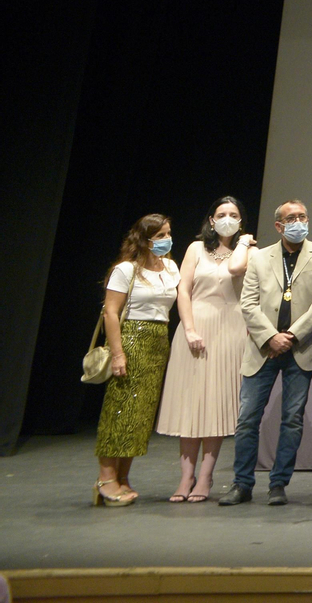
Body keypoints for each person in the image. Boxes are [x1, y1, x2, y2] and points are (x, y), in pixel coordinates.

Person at [219, 200, 312, 507]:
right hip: (262, 349)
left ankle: (278, 484)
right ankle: (242, 483)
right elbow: (248, 303)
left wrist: (292, 335)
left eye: (303, 217)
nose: (299, 222)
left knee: (292, 419)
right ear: (279, 226)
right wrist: (271, 337)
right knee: (247, 419)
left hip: (300, 347)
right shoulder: (259, 257)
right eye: (291, 218)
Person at [156, 196, 254, 502]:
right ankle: (186, 477)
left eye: (233, 214)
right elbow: (183, 290)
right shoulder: (196, 248)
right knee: (191, 404)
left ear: (241, 221)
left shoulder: (248, 251)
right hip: (195, 329)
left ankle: (207, 477)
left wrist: (243, 244)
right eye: (221, 214)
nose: (227, 218)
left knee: (215, 405)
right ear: (211, 220)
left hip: (232, 332)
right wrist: (189, 329)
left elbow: (243, 277)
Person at [93, 214, 180, 506]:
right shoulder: (126, 270)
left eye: (168, 233)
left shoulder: (170, 267)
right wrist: (118, 353)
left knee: (140, 414)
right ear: (144, 240)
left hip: (158, 341)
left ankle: (124, 476)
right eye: (159, 235)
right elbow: (110, 313)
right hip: (131, 338)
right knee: (119, 411)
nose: (166, 240)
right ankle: (106, 479)